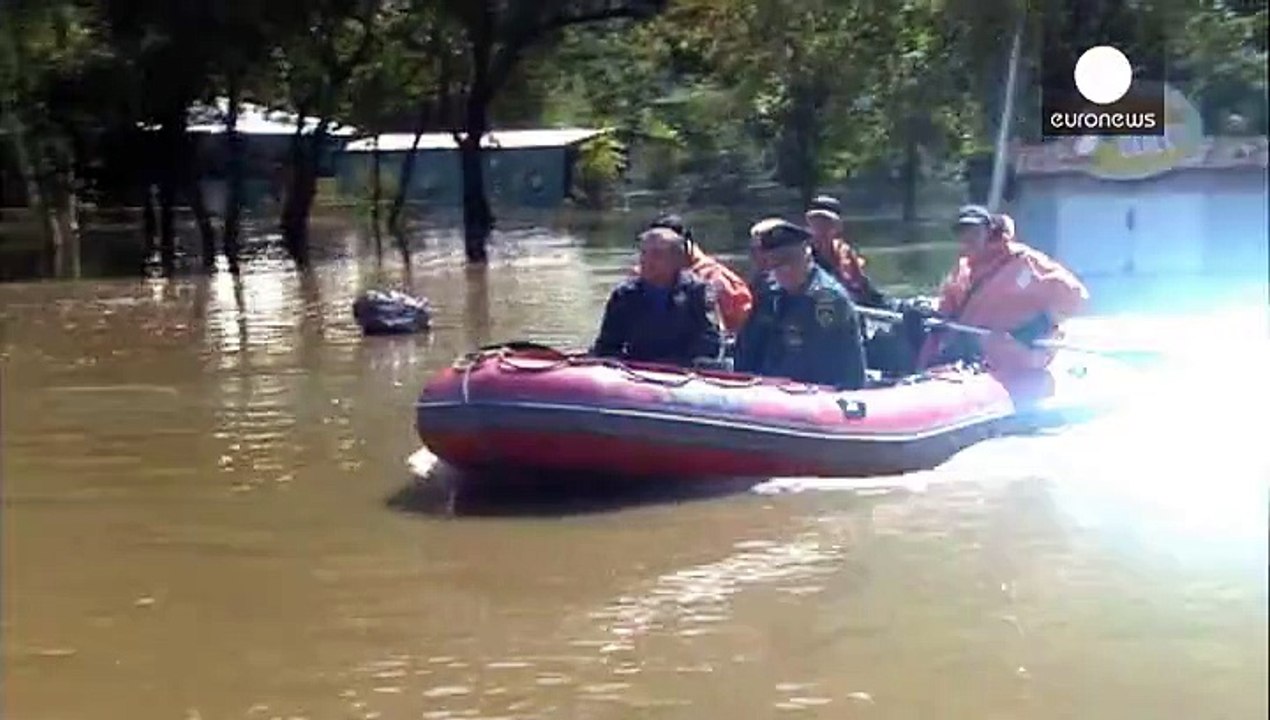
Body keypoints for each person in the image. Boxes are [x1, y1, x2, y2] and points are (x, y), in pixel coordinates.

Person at [909, 205, 1090, 374]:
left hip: (1019, 359)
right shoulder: (963, 269)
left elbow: (1077, 297)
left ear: (990, 231)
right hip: (974, 359)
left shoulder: (1023, 263)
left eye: (974, 231)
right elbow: (944, 314)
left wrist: (1040, 324)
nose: (968, 238)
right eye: (962, 233)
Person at [735, 220, 867, 390]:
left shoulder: (826, 300)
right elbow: (748, 346)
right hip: (772, 390)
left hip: (824, 395)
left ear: (807, 256)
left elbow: (820, 363)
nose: (785, 269)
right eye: (776, 263)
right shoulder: (770, 294)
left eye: (791, 260)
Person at [593, 226, 724, 367]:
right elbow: (607, 346)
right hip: (636, 374)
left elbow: (709, 345)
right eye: (643, 253)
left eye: (656, 254)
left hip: (683, 375)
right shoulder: (624, 295)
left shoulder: (698, 292)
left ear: (677, 260)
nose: (646, 260)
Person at [629, 214, 754, 333]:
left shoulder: (715, 279)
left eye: (658, 253)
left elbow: (740, 328)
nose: (647, 261)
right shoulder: (637, 280)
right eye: (646, 252)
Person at [804, 195, 887, 307]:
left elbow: (865, 289)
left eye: (826, 222)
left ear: (837, 227)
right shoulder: (803, 256)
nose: (821, 228)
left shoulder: (844, 252)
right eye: (816, 222)